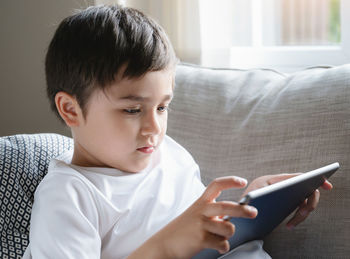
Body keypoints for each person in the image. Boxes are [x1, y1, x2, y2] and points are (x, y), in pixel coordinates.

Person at [23, 5, 332, 259]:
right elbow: (180, 239)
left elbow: (202, 237)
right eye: (132, 110)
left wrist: (252, 207)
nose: (154, 128)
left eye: (162, 107)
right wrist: (166, 246)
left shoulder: (168, 153)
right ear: (70, 110)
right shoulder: (69, 196)